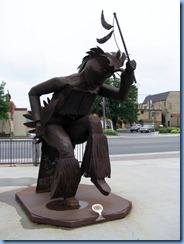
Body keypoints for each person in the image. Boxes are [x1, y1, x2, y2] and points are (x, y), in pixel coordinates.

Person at [28, 47, 136, 206]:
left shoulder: (96, 87)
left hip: (73, 126)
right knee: (66, 148)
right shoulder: (63, 82)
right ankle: (67, 193)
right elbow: (33, 92)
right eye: (101, 74)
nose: (99, 82)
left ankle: (97, 174)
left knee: (94, 121)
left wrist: (127, 75)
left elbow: (121, 96)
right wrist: (38, 122)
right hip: (53, 125)